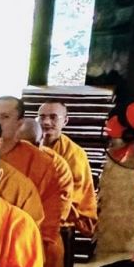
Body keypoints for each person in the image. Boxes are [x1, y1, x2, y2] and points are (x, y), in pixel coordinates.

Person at [0, 97, 73, 267]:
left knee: (51, 252)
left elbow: (50, 208)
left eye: (4, 117)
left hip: (24, 234)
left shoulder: (40, 161)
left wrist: (37, 243)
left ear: (19, 123)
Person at [37, 99, 97, 236]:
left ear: (65, 121)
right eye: (42, 117)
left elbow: (75, 194)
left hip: (60, 220)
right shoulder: (28, 146)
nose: (46, 122)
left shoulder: (75, 153)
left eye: (53, 117)